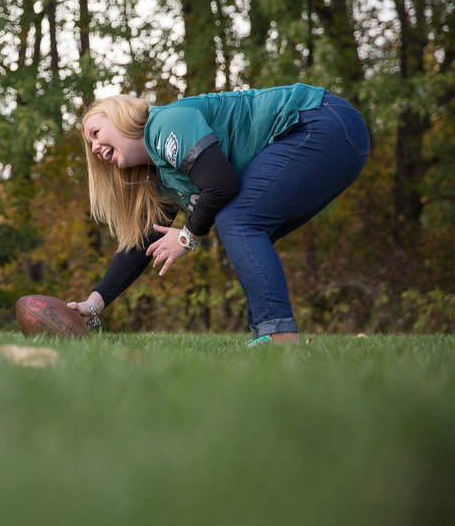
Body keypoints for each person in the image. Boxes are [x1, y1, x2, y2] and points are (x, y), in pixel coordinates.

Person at [66, 83, 369, 345]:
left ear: (120, 115)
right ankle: (265, 338)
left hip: (321, 121)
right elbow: (143, 243)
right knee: (246, 229)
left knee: (237, 220)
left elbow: (221, 184)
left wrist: (187, 237)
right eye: (88, 143)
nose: (93, 147)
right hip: (343, 137)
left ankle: (278, 338)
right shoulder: (163, 173)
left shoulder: (163, 124)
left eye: (95, 132)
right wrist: (93, 305)